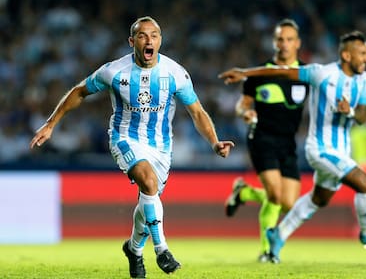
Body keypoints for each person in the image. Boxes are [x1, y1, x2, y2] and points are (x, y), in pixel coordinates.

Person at [30, 16, 234, 278]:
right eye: (142, 35)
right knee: (148, 183)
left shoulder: (175, 73)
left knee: (149, 199)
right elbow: (79, 91)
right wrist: (50, 124)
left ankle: (134, 250)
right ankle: (162, 249)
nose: (149, 40)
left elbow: (197, 111)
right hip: (125, 138)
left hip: (161, 147)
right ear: (131, 41)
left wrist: (215, 142)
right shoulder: (114, 71)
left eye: (154, 35)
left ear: (160, 41)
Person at [219, 30, 366, 262]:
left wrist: (349, 110)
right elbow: (278, 71)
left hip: (341, 151)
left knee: (318, 200)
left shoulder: (365, 79)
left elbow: (362, 115)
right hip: (319, 149)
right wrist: (244, 73)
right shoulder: (322, 73)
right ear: (347, 56)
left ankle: (277, 236)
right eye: (362, 54)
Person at [223, 18, 309, 263]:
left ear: (298, 43)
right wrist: (245, 113)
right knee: (274, 194)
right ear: (274, 42)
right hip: (261, 138)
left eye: (289, 39)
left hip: (288, 143)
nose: (284, 44)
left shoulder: (305, 74)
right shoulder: (259, 74)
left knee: (288, 203)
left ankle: (244, 193)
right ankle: (267, 252)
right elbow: (243, 103)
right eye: (280, 39)